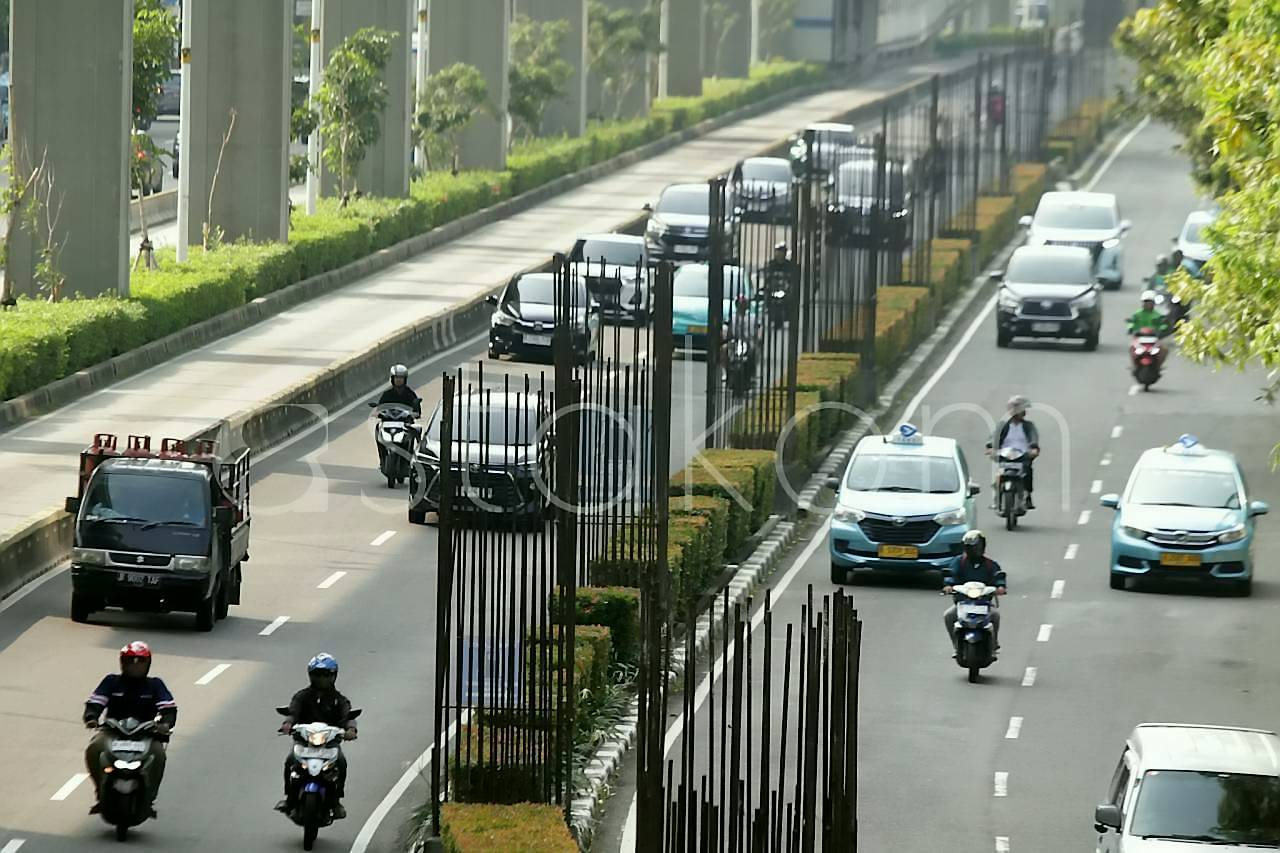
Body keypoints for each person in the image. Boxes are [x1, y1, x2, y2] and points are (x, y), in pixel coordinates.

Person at [83, 641, 177, 818]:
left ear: (148, 664)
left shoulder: (155, 685)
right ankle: (100, 789)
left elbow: (168, 708)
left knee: (159, 755)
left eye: (140, 662)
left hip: (146, 733)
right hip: (113, 731)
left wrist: (165, 724)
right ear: (122, 663)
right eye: (130, 662)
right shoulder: (111, 682)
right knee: (93, 748)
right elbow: (96, 702)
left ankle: (150, 796)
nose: (135, 666)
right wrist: (91, 718)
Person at [276, 654, 358, 820]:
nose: (322, 679)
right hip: (304, 741)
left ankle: (336, 801)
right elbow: (293, 712)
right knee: (290, 760)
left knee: (341, 762)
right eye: (318, 675)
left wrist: (351, 729)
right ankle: (289, 799)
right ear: (311, 675)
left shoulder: (339, 700)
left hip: (329, 743)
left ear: (334, 676)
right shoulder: (302, 696)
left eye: (326, 675)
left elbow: (348, 716)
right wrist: (288, 724)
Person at [942, 530, 1007, 653]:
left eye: (976, 547)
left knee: (995, 615)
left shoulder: (990, 564)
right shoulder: (958, 562)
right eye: (970, 547)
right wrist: (948, 586)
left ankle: (994, 643)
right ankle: (956, 645)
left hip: (983, 603)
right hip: (963, 602)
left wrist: (1000, 587)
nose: (973, 550)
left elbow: (998, 576)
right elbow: (951, 575)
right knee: (948, 616)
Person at [988, 395, 1040, 510]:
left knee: (1027, 471)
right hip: (1005, 455)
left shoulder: (1028, 426)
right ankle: (997, 497)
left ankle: (1027, 495)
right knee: (999, 473)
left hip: (1022, 455)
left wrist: (1033, 449)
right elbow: (994, 438)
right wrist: (991, 448)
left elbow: (1033, 438)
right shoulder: (1003, 426)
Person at [375, 364, 421, 468]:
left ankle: (412, 458)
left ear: (405, 379)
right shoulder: (387, 393)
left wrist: (415, 413)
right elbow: (380, 407)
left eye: (401, 378)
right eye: (396, 378)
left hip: (404, 423)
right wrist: (379, 413)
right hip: (389, 422)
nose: (399, 380)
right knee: (378, 428)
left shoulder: (410, 394)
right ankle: (382, 458)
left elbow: (417, 409)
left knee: (415, 431)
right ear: (392, 379)